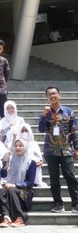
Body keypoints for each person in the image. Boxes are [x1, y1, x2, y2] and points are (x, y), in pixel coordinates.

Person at [38, 86, 78, 214]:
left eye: (54, 93)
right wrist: (43, 116)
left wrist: (76, 148)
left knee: (70, 176)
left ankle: (76, 204)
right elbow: (41, 129)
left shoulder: (68, 111)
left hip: (66, 150)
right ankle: (58, 204)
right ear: (47, 97)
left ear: (59, 95)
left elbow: (74, 131)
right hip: (51, 151)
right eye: (49, 94)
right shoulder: (46, 112)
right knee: (54, 179)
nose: (52, 96)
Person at [0, 138, 36, 227]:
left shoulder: (31, 162)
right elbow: (3, 175)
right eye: (16, 146)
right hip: (10, 189)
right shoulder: (11, 160)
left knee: (11, 190)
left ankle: (20, 217)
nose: (18, 148)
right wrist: (5, 165)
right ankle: (6, 217)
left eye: (20, 146)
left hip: (24, 193)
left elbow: (30, 183)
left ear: (25, 147)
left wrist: (15, 185)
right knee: (1, 191)